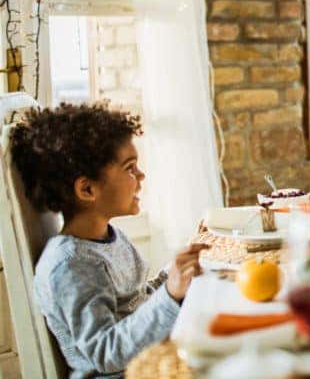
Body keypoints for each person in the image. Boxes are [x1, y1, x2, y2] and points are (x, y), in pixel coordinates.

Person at [12, 102, 208, 378]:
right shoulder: (70, 266)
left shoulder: (107, 237)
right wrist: (171, 294)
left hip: (148, 362)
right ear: (87, 189)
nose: (141, 175)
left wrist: (174, 274)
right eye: (130, 168)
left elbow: (136, 302)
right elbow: (106, 352)